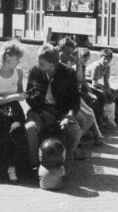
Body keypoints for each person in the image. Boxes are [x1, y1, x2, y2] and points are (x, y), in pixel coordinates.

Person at [25, 44, 85, 172]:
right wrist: (42, 112)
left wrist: (69, 115)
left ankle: (66, 162)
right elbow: (29, 97)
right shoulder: (34, 72)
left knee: (75, 131)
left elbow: (75, 99)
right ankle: (34, 164)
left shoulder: (68, 73)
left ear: (52, 64)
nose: (38, 65)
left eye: (42, 63)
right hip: (39, 110)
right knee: (30, 128)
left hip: (61, 111)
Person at [0, 41, 27, 183]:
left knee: (17, 129)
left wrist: (24, 95)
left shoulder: (19, 72)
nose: (19, 61)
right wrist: (13, 96)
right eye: (16, 58)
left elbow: (20, 91)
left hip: (14, 109)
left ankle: (12, 167)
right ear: (7, 57)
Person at [85, 48, 117, 127]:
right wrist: (104, 91)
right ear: (100, 58)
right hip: (87, 82)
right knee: (101, 94)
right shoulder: (96, 66)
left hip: (94, 82)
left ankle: (110, 118)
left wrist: (109, 91)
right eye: (104, 59)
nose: (106, 61)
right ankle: (101, 118)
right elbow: (94, 82)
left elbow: (106, 81)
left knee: (112, 93)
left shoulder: (107, 67)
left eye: (108, 59)